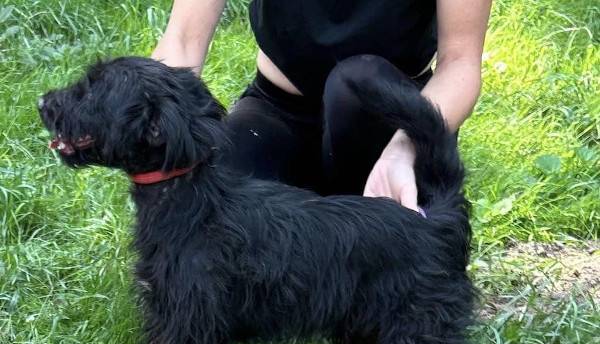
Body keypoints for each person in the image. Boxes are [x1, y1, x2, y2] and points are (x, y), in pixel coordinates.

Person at [152, 0, 491, 212]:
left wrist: (405, 149)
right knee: (211, 214)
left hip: (388, 125)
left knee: (357, 82)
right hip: (278, 111)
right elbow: (183, 39)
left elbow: (459, 63)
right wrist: (152, 120)